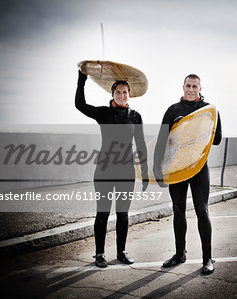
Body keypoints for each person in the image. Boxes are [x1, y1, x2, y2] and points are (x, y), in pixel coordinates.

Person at [75, 70, 149, 268]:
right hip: (105, 170)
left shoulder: (135, 116)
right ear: (112, 94)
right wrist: (81, 81)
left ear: (129, 94)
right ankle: (99, 254)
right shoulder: (103, 113)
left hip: (126, 171)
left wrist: (145, 172)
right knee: (103, 214)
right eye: (118, 92)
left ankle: (121, 252)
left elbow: (141, 144)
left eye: (125, 92)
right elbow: (80, 105)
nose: (122, 95)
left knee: (123, 214)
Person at [153, 74, 222, 275]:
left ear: (200, 88)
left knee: (202, 210)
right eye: (188, 86)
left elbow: (216, 139)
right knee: (178, 209)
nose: (191, 89)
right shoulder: (173, 110)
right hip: (177, 168)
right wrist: (158, 167)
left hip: (199, 167)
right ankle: (179, 254)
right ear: (183, 87)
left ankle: (207, 258)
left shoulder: (209, 110)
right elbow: (161, 140)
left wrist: (196, 126)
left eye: (195, 86)